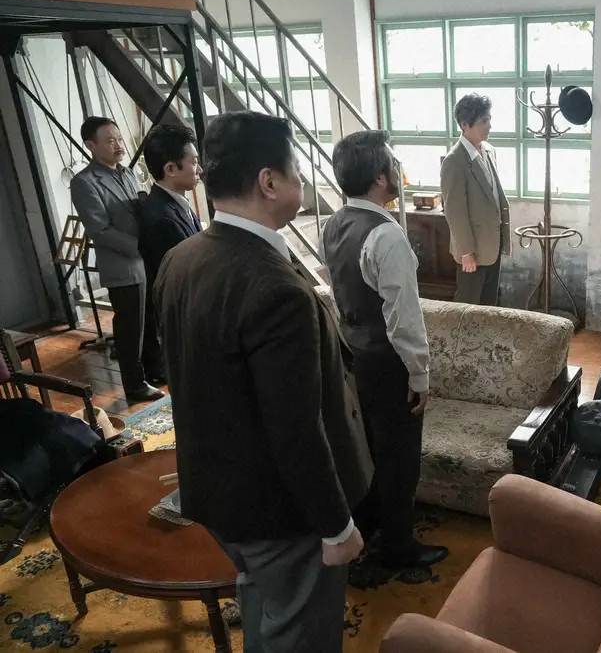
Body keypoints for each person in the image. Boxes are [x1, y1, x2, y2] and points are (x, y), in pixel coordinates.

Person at [154, 111, 373, 652]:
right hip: (280, 511)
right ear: (269, 181)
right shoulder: (275, 289)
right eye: (297, 172)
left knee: (264, 602)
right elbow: (295, 428)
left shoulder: (181, 258)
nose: (303, 183)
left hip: (215, 492)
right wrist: (336, 527)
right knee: (300, 631)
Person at [323, 129, 448, 569]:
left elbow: (341, 295)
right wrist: (420, 374)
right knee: (400, 458)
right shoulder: (386, 235)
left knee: (372, 448)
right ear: (380, 177)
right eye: (393, 163)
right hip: (389, 361)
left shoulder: (334, 223)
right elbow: (403, 318)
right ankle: (397, 546)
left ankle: (373, 521)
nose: (398, 169)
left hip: (355, 355)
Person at [71, 117, 163, 402]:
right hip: (123, 265)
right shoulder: (84, 182)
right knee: (130, 329)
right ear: (91, 145)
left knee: (150, 321)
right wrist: (138, 246)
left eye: (119, 139)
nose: (118, 145)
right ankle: (134, 385)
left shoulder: (128, 173)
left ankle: (156, 370)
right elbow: (99, 229)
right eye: (110, 141)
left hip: (145, 259)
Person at [136, 123, 203, 385]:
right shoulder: (161, 217)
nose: (199, 169)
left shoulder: (176, 203)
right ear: (171, 169)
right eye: (193, 162)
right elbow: (183, 279)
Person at [440, 93, 511, 306]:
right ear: (465, 125)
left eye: (489, 120)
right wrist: (466, 252)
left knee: (489, 303)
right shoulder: (454, 161)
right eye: (483, 121)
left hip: (492, 243)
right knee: (468, 303)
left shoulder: (489, 150)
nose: (489, 126)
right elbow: (454, 212)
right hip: (472, 250)